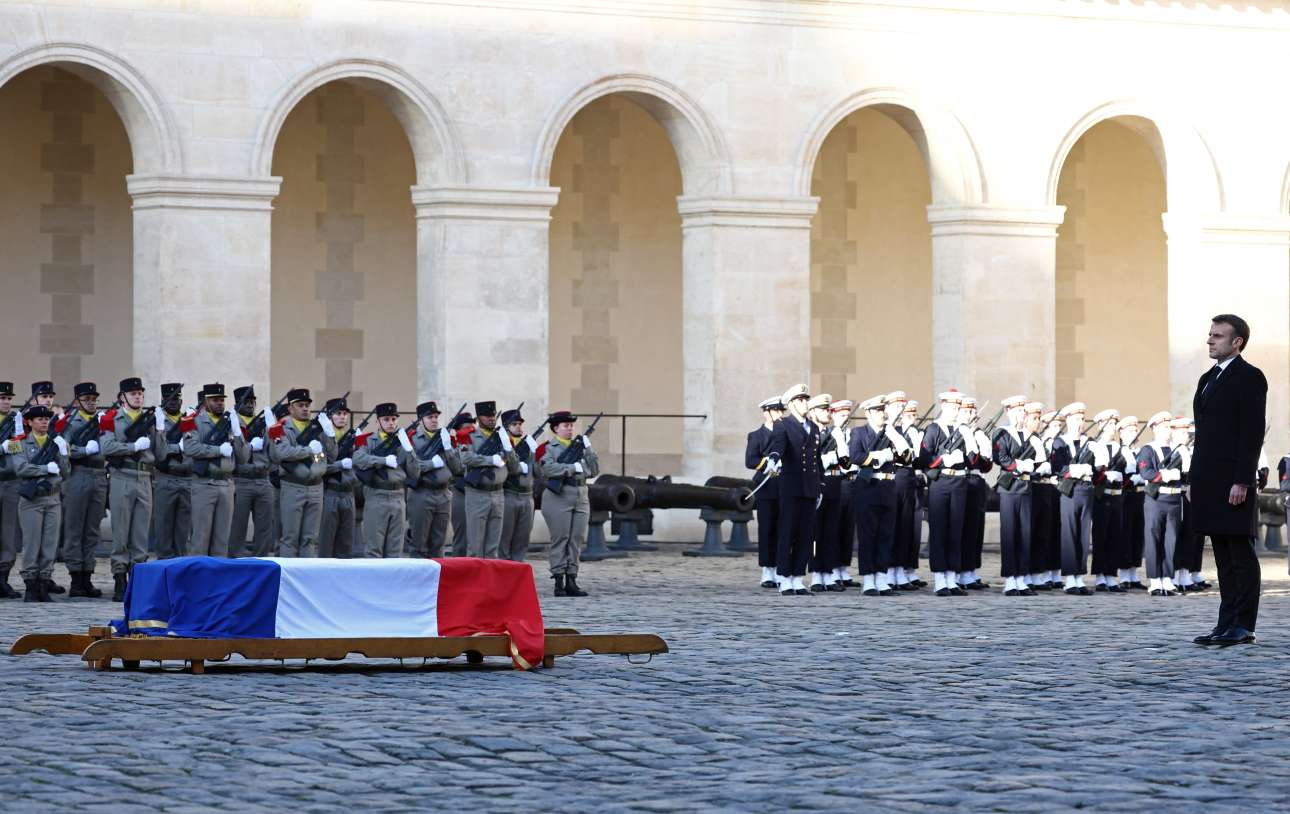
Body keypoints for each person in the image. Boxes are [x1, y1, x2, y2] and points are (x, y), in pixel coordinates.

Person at [1190, 315, 1266, 646]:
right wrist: (1194, 480)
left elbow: (1251, 433)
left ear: (1237, 342)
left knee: (1241, 555)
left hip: (1234, 482)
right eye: (1210, 334)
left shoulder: (1250, 377)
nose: (1210, 340)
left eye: (1218, 336)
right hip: (1209, 480)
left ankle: (1243, 624)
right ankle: (1225, 622)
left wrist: (1243, 480)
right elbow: (1203, 436)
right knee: (1222, 555)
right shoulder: (1208, 378)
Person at [99, 377, 163, 601]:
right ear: (122, 397)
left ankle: (138, 579)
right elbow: (106, 447)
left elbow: (161, 454)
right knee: (121, 530)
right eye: (134, 393)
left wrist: (161, 430)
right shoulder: (110, 419)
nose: (138, 397)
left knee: (141, 533)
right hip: (122, 476)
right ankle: (119, 578)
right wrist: (132, 446)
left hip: (145, 477)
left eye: (141, 393)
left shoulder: (150, 420)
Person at [268, 388, 336, 558]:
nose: (305, 408)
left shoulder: (318, 427)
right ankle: (288, 578)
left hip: (316, 487)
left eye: (307, 405)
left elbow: (333, 455)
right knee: (290, 538)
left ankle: (307, 577)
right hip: (293, 486)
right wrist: (307, 450)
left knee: (311, 538)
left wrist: (330, 434)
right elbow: (281, 453)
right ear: (290, 408)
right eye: (300, 405)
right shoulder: (282, 428)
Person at [766, 384, 820, 596]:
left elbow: (816, 461)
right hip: (791, 486)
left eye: (806, 399)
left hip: (810, 487)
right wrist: (773, 458)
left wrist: (820, 486)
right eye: (800, 400)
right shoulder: (783, 425)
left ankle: (798, 577)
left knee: (805, 535)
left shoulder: (813, 428)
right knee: (787, 531)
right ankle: (784, 577)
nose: (805, 403)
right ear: (790, 404)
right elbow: (778, 446)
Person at [538, 411, 599, 597]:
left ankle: (572, 579)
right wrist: (572, 468)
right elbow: (546, 468)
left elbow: (594, 470)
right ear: (556, 428)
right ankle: (558, 580)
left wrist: (589, 450)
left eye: (571, 425)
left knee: (576, 539)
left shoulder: (580, 447)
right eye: (566, 425)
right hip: (559, 496)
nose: (570, 428)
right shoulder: (549, 448)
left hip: (581, 495)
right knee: (561, 538)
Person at [183, 383, 248, 557]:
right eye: (215, 400)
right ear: (206, 401)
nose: (220, 403)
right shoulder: (194, 421)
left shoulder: (231, 422)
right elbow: (191, 448)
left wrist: (238, 433)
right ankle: (198, 579)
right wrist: (217, 450)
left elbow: (243, 457)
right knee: (201, 537)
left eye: (221, 400)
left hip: (227, 484)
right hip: (205, 484)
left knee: (222, 539)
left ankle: (217, 579)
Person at [849, 395, 903, 596]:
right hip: (868, 487)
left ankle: (882, 577)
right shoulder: (859, 432)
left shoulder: (892, 432)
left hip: (888, 486)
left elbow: (905, 455)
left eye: (883, 410)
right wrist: (878, 456)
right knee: (867, 534)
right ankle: (869, 579)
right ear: (869, 413)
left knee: (885, 534)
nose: (883, 413)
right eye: (879, 410)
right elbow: (855, 456)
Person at [14, 405, 69, 601]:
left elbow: (66, 472)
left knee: (50, 544)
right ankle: (30, 586)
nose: (44, 422)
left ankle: (44, 583)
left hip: (53, 498)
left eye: (46, 419)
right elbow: (20, 468)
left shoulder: (55, 443)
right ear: (29, 422)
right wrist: (45, 468)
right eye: (39, 419)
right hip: (32, 499)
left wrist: (63, 454)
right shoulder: (20, 443)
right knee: (32, 543)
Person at [57, 382, 107, 598]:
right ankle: (75, 577)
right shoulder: (69, 421)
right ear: (77, 401)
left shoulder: (102, 421)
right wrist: (82, 450)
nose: (91, 403)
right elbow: (63, 447)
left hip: (98, 475)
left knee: (92, 530)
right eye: (86, 399)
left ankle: (87, 575)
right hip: (78, 474)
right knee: (75, 528)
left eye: (94, 399)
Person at [918, 389, 969, 596]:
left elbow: (971, 459)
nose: (957, 411)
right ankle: (940, 578)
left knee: (956, 531)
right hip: (940, 482)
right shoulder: (933, 429)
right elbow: (924, 458)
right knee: (939, 530)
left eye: (959, 407)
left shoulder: (962, 430)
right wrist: (942, 460)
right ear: (944, 406)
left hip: (958, 481)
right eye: (953, 407)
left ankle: (952, 577)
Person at [353, 402, 419, 558]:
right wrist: (382, 460)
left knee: (395, 550)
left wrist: (409, 450)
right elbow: (358, 458)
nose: (391, 423)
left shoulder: (403, 442)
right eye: (386, 419)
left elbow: (415, 472)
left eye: (394, 419)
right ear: (378, 422)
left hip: (398, 496)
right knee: (374, 549)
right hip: (377, 494)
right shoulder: (368, 440)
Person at [991, 395, 1039, 596]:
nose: (1021, 414)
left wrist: (1033, 466)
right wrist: (1018, 465)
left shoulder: (1029, 436)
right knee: (1010, 534)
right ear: (1008, 412)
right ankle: (1011, 579)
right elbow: (1000, 457)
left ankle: (1022, 578)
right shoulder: (1002, 433)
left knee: (1024, 533)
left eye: (1023, 411)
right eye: (1017, 411)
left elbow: (1038, 459)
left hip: (1025, 487)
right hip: (1009, 488)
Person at [1049, 402, 1098, 595]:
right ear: (1068, 420)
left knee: (1084, 535)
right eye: (1076, 419)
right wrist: (1074, 470)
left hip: (1086, 489)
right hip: (1069, 490)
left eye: (1082, 419)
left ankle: (1079, 577)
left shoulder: (1090, 442)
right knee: (1070, 533)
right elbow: (1057, 467)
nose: (1080, 423)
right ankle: (1070, 579)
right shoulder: (1060, 442)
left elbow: (1099, 467)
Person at [460, 401, 518, 559]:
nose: (492, 419)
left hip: (498, 494)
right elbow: (466, 458)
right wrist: (490, 460)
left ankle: (489, 581)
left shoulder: (503, 437)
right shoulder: (468, 436)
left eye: (493, 415)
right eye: (487, 416)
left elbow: (514, 467)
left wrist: (509, 448)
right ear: (479, 418)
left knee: (493, 545)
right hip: (477, 494)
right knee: (475, 544)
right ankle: (474, 581)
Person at [407, 401, 461, 558]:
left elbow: (458, 468)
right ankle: (417, 581)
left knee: (439, 543)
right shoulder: (412, 439)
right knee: (419, 543)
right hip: (422, 493)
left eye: (436, 417)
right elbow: (411, 467)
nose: (434, 420)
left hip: (444, 494)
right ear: (420, 419)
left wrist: (448, 448)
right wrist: (431, 464)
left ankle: (436, 580)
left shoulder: (446, 439)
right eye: (430, 417)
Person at [1138, 411, 1183, 596]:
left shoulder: (1179, 449)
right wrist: (1164, 475)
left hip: (1174, 499)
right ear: (1155, 428)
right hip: (1156, 500)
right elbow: (1145, 473)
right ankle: (1155, 580)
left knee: (1171, 541)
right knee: (1154, 538)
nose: (1168, 431)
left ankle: (1168, 578)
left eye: (1169, 427)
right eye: (1164, 427)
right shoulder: (1148, 449)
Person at [229, 386, 277, 558]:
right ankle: (235, 561)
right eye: (246, 402)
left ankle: (261, 560)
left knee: (264, 529)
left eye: (252, 401)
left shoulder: (262, 423)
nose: (250, 405)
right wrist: (249, 446)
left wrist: (273, 430)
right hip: (242, 480)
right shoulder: (232, 422)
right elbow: (237, 453)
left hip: (264, 479)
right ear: (237, 404)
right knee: (237, 527)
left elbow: (274, 453)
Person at [745, 397, 783, 589]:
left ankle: (780, 568)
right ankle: (767, 570)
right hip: (767, 487)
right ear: (766, 413)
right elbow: (750, 460)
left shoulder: (785, 433)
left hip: (784, 487)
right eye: (775, 411)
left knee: (782, 529)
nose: (779, 415)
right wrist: (766, 462)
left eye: (781, 411)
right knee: (767, 528)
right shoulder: (756, 435)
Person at [153, 383, 192, 560]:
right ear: (162, 400)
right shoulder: (157, 421)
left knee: (183, 531)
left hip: (187, 479)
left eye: (176, 398)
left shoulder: (188, 420)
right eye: (169, 399)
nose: (173, 402)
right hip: (166, 477)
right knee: (164, 527)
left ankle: (180, 566)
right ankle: (164, 565)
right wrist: (177, 448)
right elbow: (158, 448)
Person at [318, 396, 359, 558]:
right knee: (326, 542)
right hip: (330, 492)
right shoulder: (322, 438)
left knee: (346, 543)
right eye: (338, 413)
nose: (343, 417)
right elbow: (319, 466)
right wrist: (339, 465)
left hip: (348, 493)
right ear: (329, 417)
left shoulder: (352, 436)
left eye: (344, 414)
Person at [498, 408, 536, 562]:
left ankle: (517, 572)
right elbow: (503, 465)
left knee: (522, 538)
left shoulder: (527, 444)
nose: (519, 427)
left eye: (520, 424)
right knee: (504, 539)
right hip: (509, 494)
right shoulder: (501, 444)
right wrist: (520, 467)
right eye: (514, 424)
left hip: (527, 496)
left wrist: (535, 453)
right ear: (507, 427)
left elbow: (538, 472)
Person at [0, 382, 23, 598]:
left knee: (9, 533)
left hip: (10, 481)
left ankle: (3, 578)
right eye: (2, 398)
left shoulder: (15, 420)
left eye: (8, 398)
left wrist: (15, 439)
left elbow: (21, 448)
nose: (7, 402)